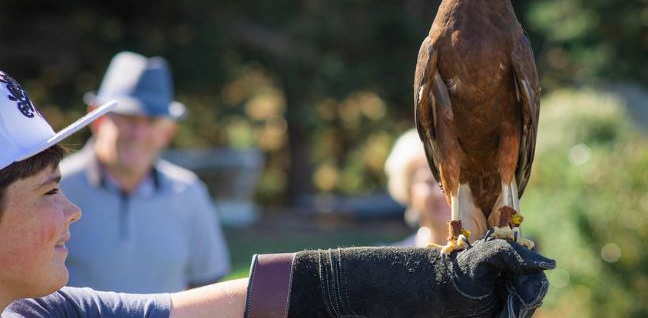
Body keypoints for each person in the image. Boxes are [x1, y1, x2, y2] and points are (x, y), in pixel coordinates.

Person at [0, 69, 555, 318]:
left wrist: (431, 284)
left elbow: (223, 302)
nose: (71, 208)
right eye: (49, 191)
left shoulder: (46, 311)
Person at [59, 51, 230, 293]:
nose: (138, 134)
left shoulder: (189, 193)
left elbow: (206, 288)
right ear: (95, 118)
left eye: (151, 120)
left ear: (168, 131)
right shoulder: (55, 188)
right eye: (128, 117)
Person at [385, 129, 451, 247]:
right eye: (429, 182)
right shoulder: (393, 261)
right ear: (408, 191)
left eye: (449, 181)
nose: (441, 192)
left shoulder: (487, 259)